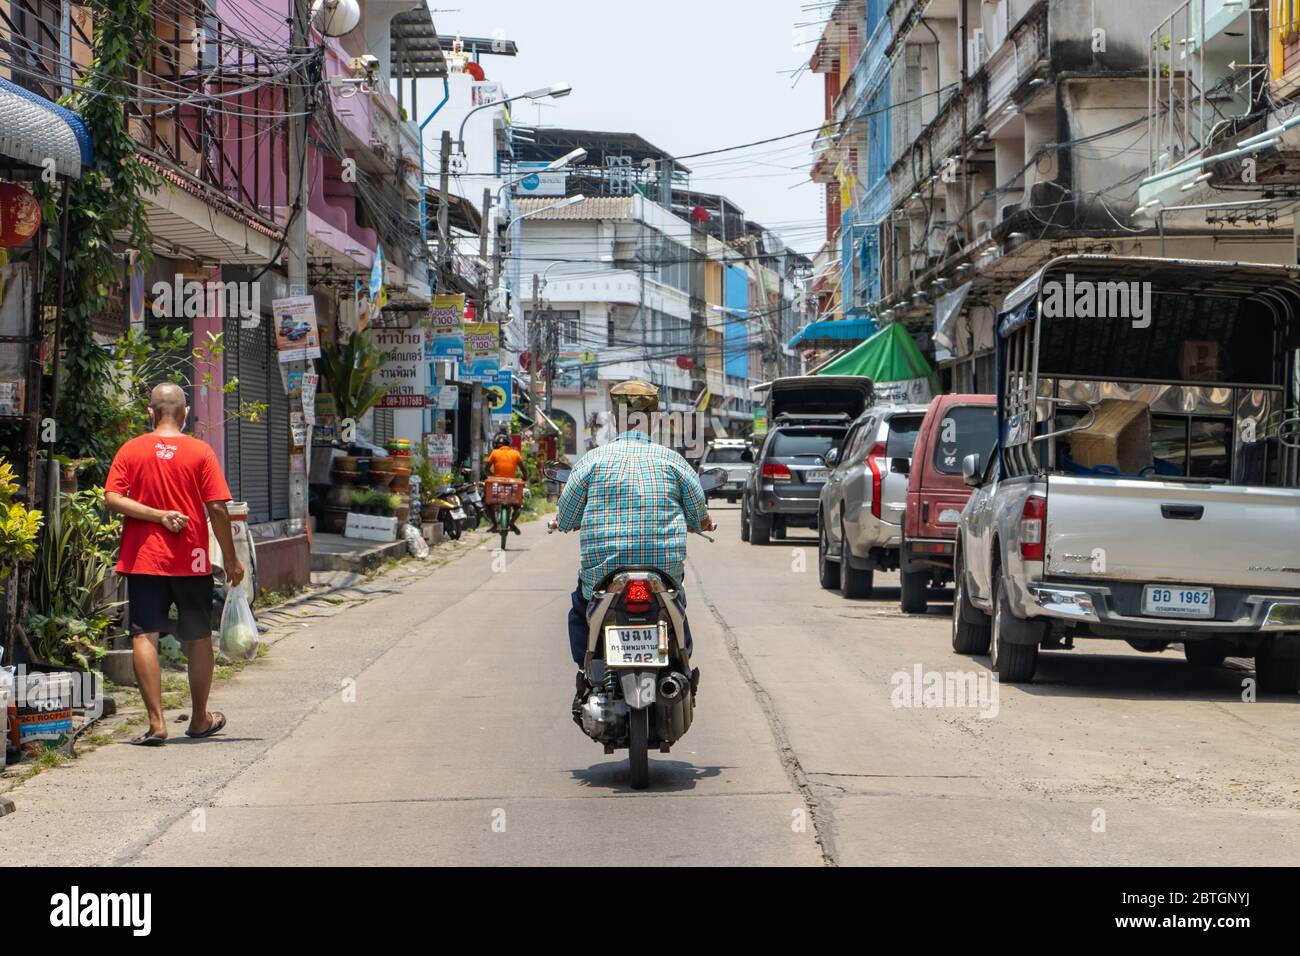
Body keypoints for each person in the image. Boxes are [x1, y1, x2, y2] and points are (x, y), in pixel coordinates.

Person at [105, 383, 245, 746]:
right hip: (191, 561)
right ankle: (199, 719)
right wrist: (230, 558)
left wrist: (154, 515)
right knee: (198, 638)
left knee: (144, 634)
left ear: (149, 413)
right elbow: (216, 507)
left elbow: (112, 498)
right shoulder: (200, 451)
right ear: (185, 414)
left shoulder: (131, 449)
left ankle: (156, 725)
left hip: (143, 559)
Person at [554, 379, 714, 692]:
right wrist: (702, 522)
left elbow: (567, 517)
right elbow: (698, 514)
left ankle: (588, 674)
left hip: (602, 578)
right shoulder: (674, 461)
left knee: (578, 611)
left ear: (614, 418)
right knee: (677, 605)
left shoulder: (592, 461)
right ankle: (682, 666)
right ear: (654, 420)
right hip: (662, 577)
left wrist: (567, 521)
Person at [483, 432, 527, 534]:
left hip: (496, 484)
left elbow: (486, 469)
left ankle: (494, 524)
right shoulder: (515, 453)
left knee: (489, 503)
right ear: (509, 443)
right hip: (512, 485)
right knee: (518, 506)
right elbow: (524, 469)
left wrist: (492, 476)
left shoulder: (494, 452)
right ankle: (511, 523)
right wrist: (524, 478)